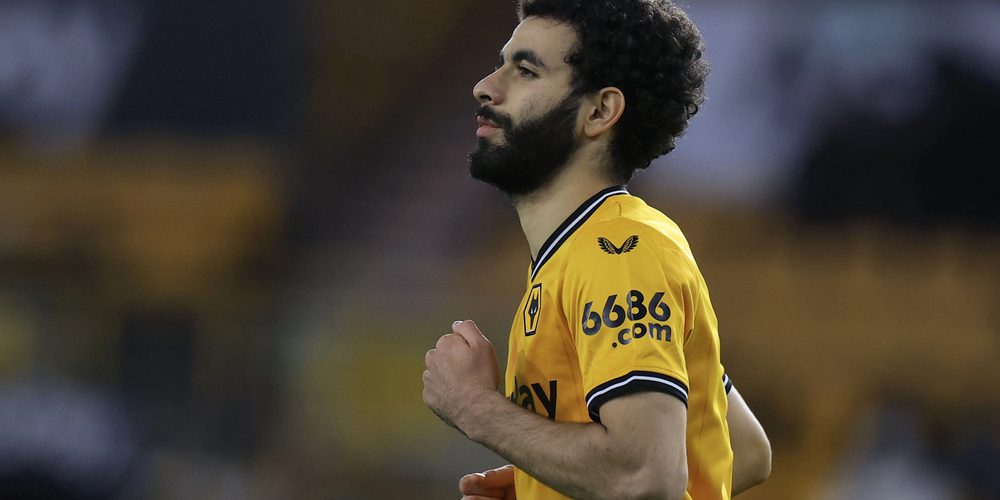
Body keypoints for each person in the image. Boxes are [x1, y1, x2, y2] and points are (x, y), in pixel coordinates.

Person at [422, 0, 770, 498]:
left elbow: (646, 476)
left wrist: (473, 407)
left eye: (525, 70)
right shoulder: (583, 254)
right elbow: (744, 450)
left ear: (600, 112)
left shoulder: (618, 252)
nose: (485, 86)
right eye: (501, 65)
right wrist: (559, 484)